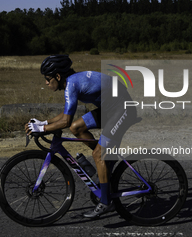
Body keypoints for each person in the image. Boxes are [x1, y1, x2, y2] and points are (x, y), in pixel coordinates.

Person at [25, 54, 137, 218]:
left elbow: (64, 121)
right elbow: (66, 117)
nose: (46, 83)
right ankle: (106, 158)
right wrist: (43, 123)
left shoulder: (72, 84)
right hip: (111, 108)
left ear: (58, 76)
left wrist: (42, 129)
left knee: (97, 154)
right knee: (76, 128)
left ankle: (106, 202)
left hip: (122, 110)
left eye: (48, 79)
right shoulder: (72, 82)